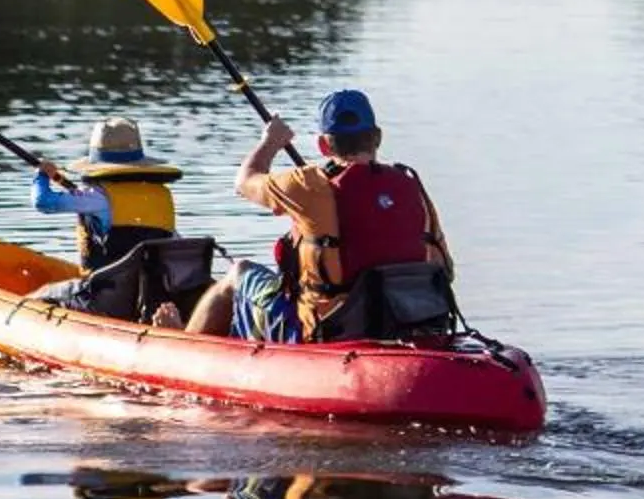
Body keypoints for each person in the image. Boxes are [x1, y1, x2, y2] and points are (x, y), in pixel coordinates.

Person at [187, 90, 452, 343]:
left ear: (323, 145)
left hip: (327, 329)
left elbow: (244, 182)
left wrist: (270, 142)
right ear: (378, 138)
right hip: (410, 323)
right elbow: (444, 269)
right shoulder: (410, 185)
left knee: (238, 273)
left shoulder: (308, 185)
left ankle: (184, 347)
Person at [26, 116, 188, 323]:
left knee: (37, 297)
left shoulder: (97, 196)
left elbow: (43, 202)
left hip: (103, 296)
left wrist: (41, 175)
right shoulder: (162, 196)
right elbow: (173, 244)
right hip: (152, 297)